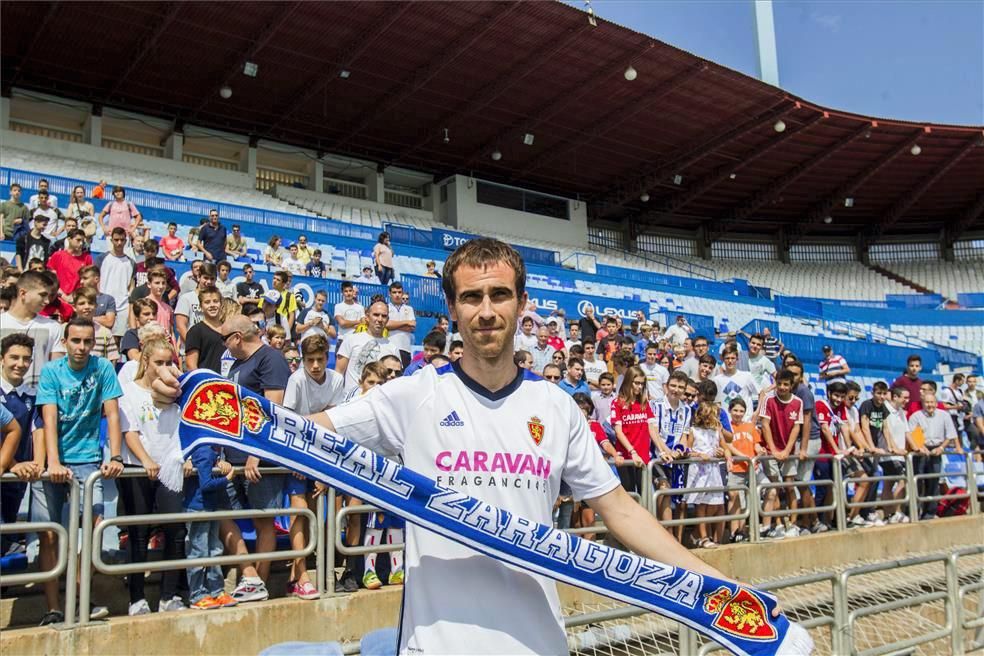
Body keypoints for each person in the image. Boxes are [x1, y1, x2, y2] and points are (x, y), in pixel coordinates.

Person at [35, 317, 124, 624]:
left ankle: (77, 596)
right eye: (76, 341)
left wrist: (115, 456)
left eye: (88, 341)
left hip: (88, 459)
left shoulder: (103, 369)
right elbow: (49, 419)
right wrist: (54, 461)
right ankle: (53, 607)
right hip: (55, 460)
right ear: (65, 341)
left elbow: (112, 414)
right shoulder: (51, 371)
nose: (82, 347)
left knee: (96, 529)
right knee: (49, 535)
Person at [220, 314, 292, 602]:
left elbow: (273, 411)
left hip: (257, 457)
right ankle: (249, 574)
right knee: (223, 514)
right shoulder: (238, 364)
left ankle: (258, 582)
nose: (223, 345)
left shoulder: (270, 359)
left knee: (263, 521)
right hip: (232, 455)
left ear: (237, 337)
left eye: (225, 339)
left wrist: (255, 454)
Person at [117, 336, 188, 615]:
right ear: (145, 362)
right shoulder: (128, 391)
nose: (164, 368)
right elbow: (129, 431)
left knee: (176, 531)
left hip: (170, 467)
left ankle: (168, 596)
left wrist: (182, 458)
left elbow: (182, 428)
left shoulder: (177, 391)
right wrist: (145, 460)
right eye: (158, 362)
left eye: (168, 362)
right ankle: (136, 598)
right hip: (137, 467)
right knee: (138, 534)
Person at [283, 334, 345, 600]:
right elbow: (288, 422)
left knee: (316, 513)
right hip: (297, 453)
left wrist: (321, 468)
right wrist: (300, 459)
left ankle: (297, 575)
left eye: (320, 359)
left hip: (322, 455)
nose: (316, 365)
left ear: (327, 358)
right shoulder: (296, 380)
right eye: (310, 360)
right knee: (299, 513)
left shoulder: (337, 380)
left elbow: (334, 424)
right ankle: (302, 574)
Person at [0, 334, 44, 557]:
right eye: (14, 357)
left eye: (26, 359)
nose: (20, 364)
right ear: (1, 358)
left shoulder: (32, 395)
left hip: (18, 478)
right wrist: (12, 463)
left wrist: (37, 463)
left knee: (8, 531)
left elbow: (38, 432)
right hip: (7, 469)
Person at [184, 441, 238, 610]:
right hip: (198, 508)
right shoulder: (204, 452)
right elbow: (206, 484)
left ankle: (217, 590)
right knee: (198, 551)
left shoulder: (212, 452)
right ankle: (197, 594)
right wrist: (227, 479)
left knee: (215, 549)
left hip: (211, 507)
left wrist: (220, 463)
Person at [759, 369, 806, 536]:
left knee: (790, 486)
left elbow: (796, 427)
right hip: (771, 451)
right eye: (779, 384)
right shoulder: (769, 401)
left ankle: (793, 524)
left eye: (786, 384)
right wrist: (773, 449)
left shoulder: (798, 402)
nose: (782, 387)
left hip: (788, 451)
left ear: (791, 385)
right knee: (775, 486)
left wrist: (786, 450)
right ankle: (778, 523)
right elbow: (765, 425)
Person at [0, 271, 66, 387]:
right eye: (42, 295)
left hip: (38, 399)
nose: (47, 301)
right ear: (23, 293)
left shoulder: (53, 327)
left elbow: (57, 371)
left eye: (49, 296)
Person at [724, 397, 776, 543]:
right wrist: (745, 457)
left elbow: (757, 445)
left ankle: (766, 527)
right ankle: (735, 532)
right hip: (736, 468)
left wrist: (760, 451)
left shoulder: (750, 426)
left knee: (771, 491)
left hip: (754, 469)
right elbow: (727, 445)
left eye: (741, 411)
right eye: (735, 410)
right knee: (735, 498)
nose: (738, 413)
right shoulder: (727, 427)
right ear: (730, 411)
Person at [684, 389, 730, 549]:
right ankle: (703, 537)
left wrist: (726, 455)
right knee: (701, 504)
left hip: (714, 471)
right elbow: (687, 450)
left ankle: (699, 533)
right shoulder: (694, 431)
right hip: (699, 471)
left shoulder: (716, 431)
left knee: (715, 504)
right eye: (714, 415)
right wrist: (698, 454)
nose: (717, 418)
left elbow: (725, 447)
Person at [909, 393, 961, 520]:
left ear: (936, 403)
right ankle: (914, 512)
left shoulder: (944, 415)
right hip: (920, 450)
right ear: (923, 403)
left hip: (937, 449)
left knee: (933, 482)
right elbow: (911, 434)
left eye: (932, 402)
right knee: (918, 481)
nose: (929, 405)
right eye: (927, 402)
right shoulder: (916, 416)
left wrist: (941, 447)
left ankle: (930, 513)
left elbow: (950, 434)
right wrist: (921, 446)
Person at [95, 227, 136, 339]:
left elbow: (131, 285)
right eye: (116, 239)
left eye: (122, 240)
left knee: (117, 341)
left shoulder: (131, 262)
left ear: (126, 241)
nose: (119, 243)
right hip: (103, 306)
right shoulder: (101, 258)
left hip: (122, 307)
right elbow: (95, 280)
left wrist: (128, 300)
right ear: (111, 240)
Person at [881, 386, 913, 524]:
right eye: (904, 397)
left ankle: (891, 514)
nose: (907, 400)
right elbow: (885, 431)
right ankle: (893, 512)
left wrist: (918, 448)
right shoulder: (885, 410)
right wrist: (893, 448)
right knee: (900, 480)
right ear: (895, 397)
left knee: (892, 482)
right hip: (889, 454)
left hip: (900, 454)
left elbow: (907, 433)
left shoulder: (901, 412)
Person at [71, 288, 120, 364]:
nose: (87, 307)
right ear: (74, 307)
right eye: (82, 303)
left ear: (96, 305)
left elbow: (112, 361)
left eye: (90, 303)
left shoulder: (105, 333)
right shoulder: (66, 330)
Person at [184, 285, 225, 372]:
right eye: (207, 302)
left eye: (215, 301)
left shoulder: (229, 330)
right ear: (201, 307)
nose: (212, 305)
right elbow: (191, 365)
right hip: (207, 382)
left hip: (228, 382)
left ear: (221, 304)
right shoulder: (195, 331)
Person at [175, 262, 217, 344]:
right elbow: (181, 326)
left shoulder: (217, 301)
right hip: (190, 350)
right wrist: (192, 345)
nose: (209, 282)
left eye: (212, 279)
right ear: (198, 277)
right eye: (205, 278)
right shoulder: (186, 298)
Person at [713, 345, 757, 422]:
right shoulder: (717, 380)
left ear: (737, 359)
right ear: (723, 359)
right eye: (727, 358)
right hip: (727, 423)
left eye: (733, 358)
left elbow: (761, 393)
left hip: (745, 421)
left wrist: (756, 412)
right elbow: (717, 403)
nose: (730, 361)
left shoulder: (747, 376)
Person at [46, 229, 93, 301]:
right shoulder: (58, 255)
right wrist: (62, 295)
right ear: (69, 239)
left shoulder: (87, 258)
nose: (81, 243)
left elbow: (89, 280)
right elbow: (51, 278)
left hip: (77, 298)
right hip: (58, 298)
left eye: (82, 241)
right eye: (78, 240)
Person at [386, 281, 416, 368]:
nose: (397, 295)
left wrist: (393, 326)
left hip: (405, 348)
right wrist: (406, 322)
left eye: (399, 292)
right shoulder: (387, 308)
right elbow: (386, 324)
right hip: (390, 346)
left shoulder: (409, 309)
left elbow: (412, 327)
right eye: (394, 292)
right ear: (389, 293)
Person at [333, 281, 365, 350]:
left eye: (350, 291)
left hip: (357, 341)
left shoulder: (360, 307)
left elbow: (364, 323)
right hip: (342, 340)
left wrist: (347, 323)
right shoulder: (338, 306)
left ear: (353, 292)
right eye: (346, 291)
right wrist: (357, 322)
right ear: (342, 293)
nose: (348, 293)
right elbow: (342, 323)